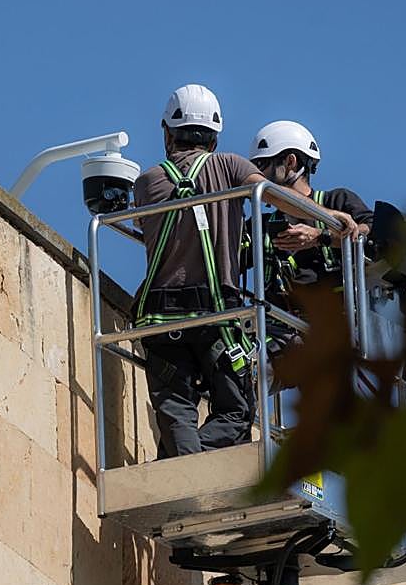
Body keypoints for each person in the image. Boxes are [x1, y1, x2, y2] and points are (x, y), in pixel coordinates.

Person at [134, 86, 359, 458]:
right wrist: (327, 219)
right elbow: (274, 196)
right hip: (215, 315)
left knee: (176, 410)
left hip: (159, 317)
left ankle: (182, 464)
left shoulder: (146, 183)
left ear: (168, 133)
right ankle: (194, 466)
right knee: (236, 412)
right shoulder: (230, 166)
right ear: (215, 137)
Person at [245, 120, 375, 390]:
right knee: (242, 374)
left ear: (290, 162)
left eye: (262, 166)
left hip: (333, 330)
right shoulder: (261, 223)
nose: (257, 176)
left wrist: (321, 237)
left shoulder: (336, 203)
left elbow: (368, 235)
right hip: (280, 334)